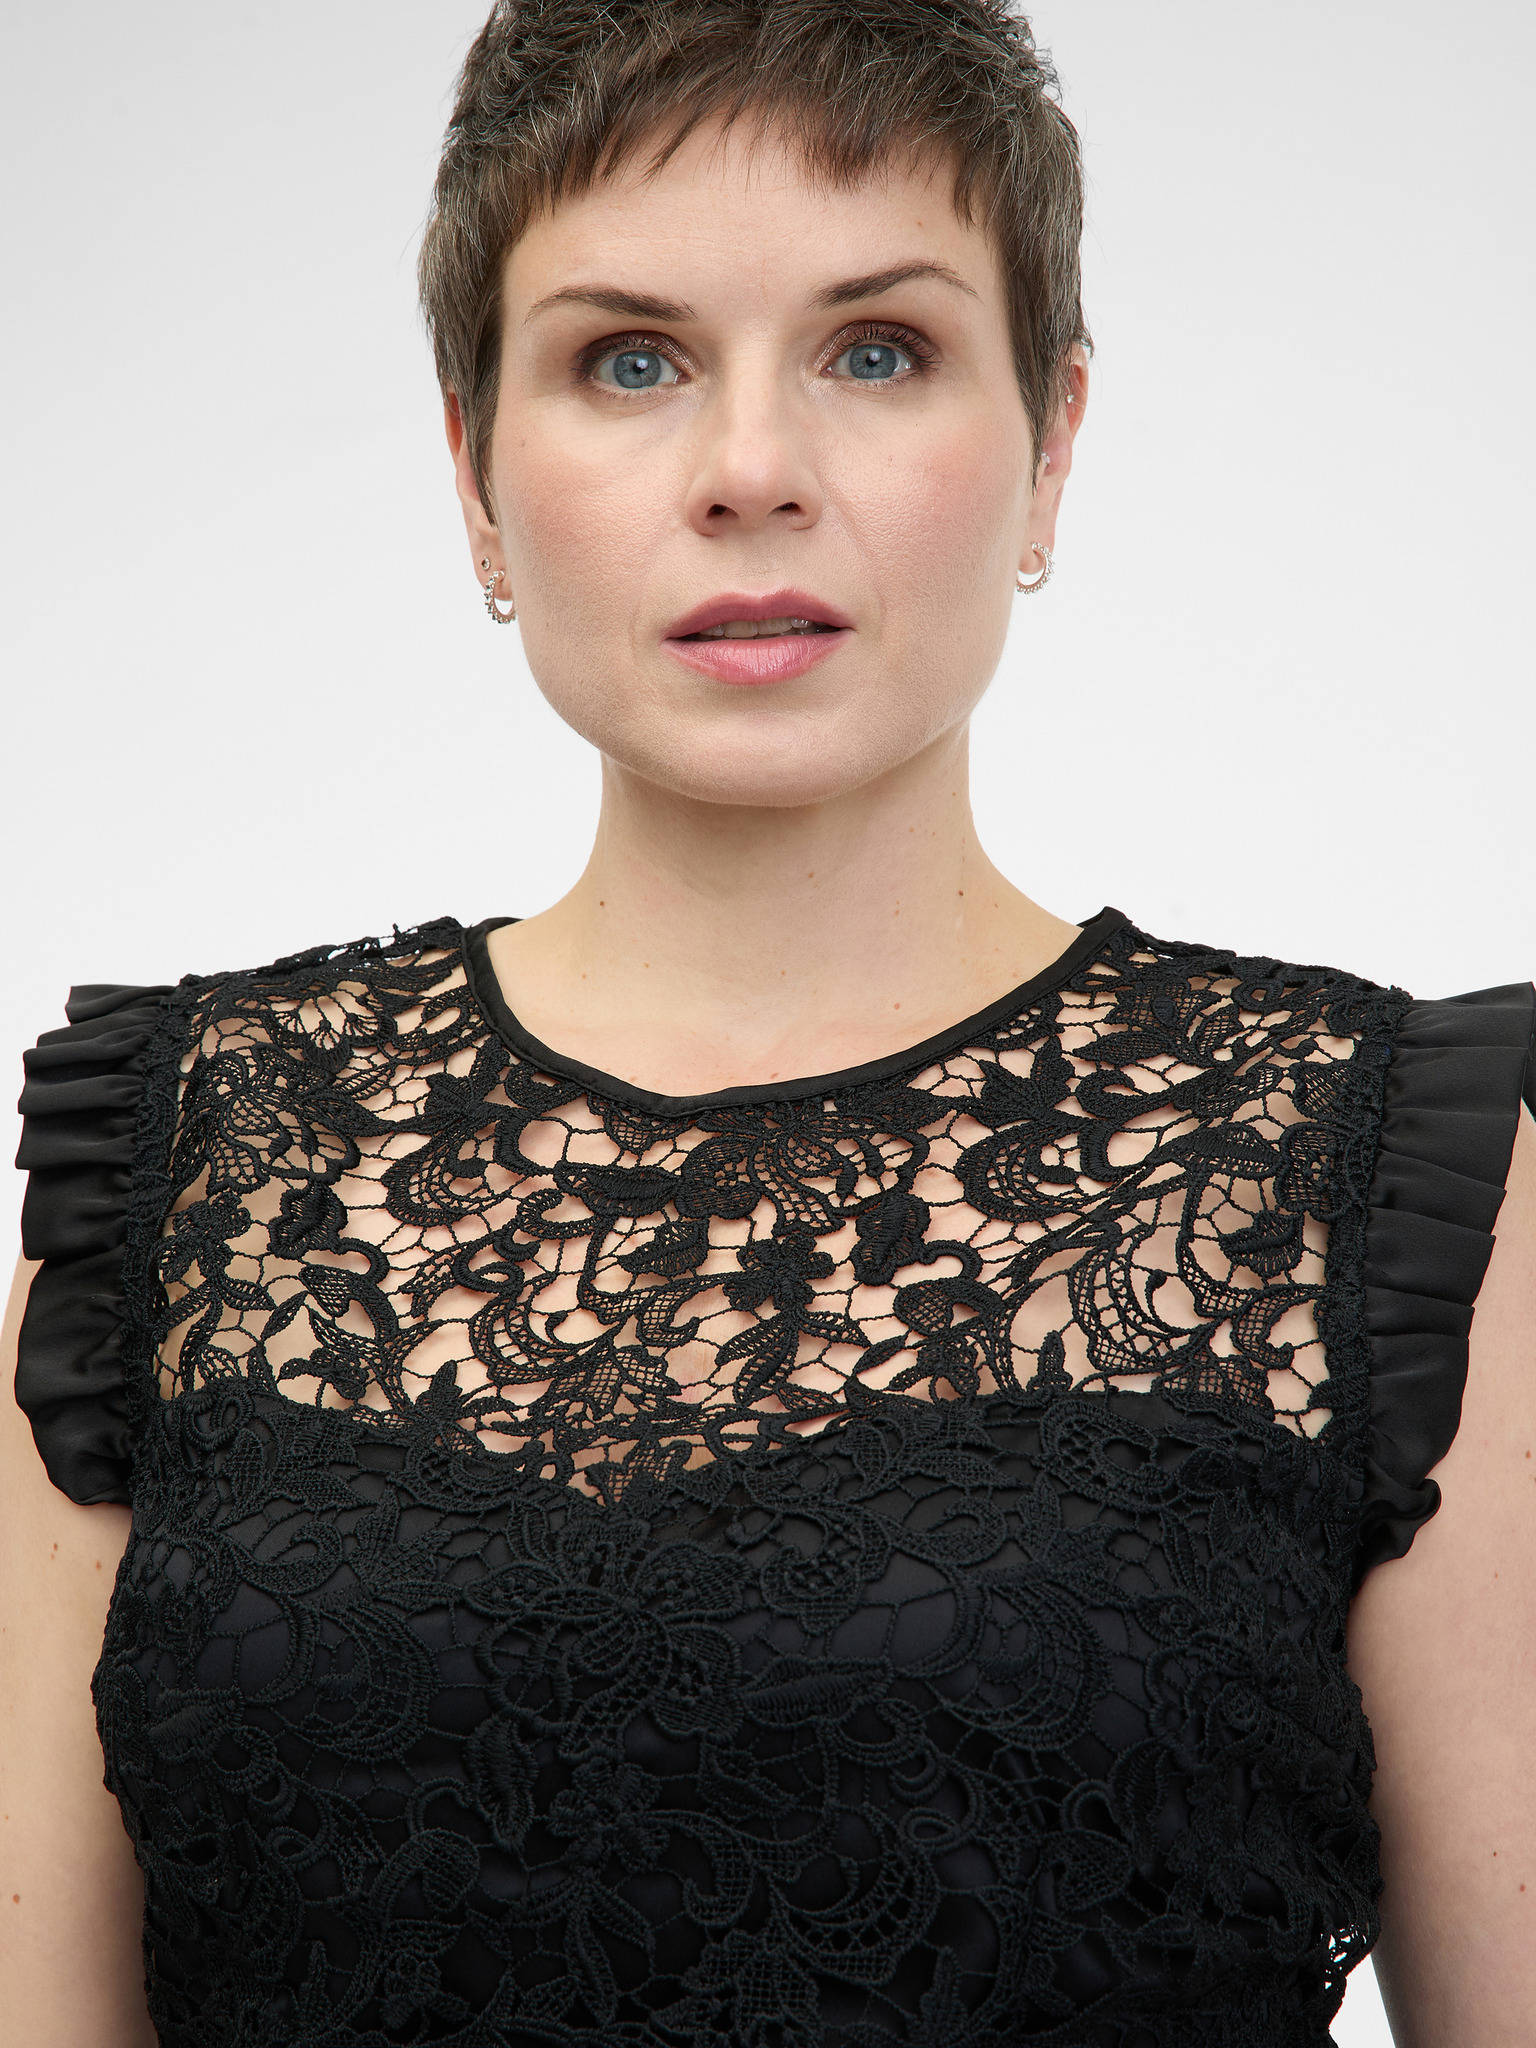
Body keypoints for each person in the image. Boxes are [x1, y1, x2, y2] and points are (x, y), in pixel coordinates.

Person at [3, 0, 1533, 2040]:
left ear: (1053, 444)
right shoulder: (184, 1165)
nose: (749, 473)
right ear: (474, 471)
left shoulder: (1375, 1178)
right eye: (629, 360)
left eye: (876, 350)